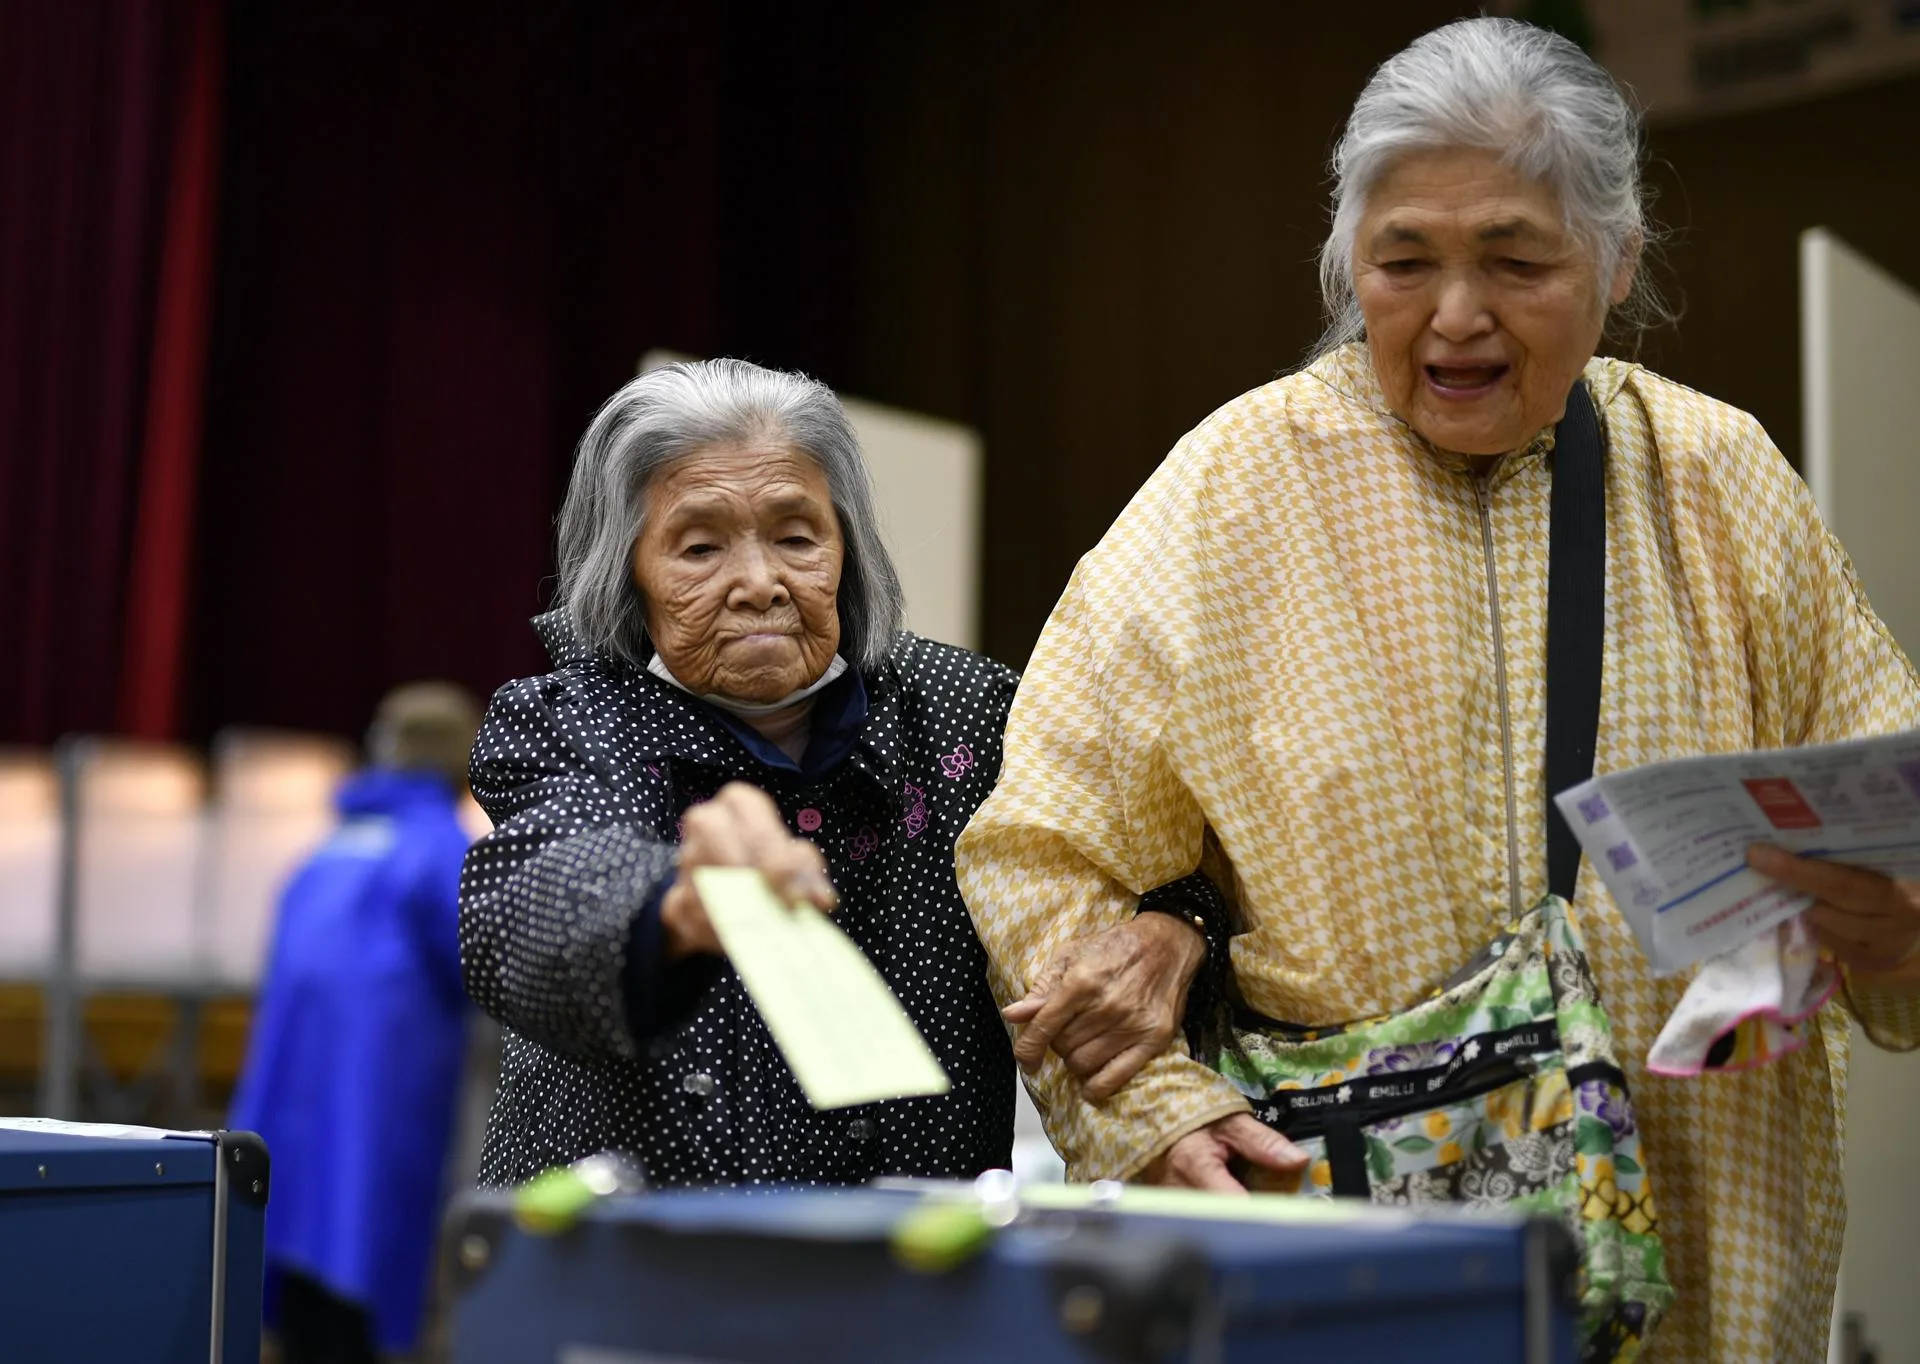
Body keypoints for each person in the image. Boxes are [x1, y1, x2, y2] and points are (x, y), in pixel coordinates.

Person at [956, 17, 1920, 1362]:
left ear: (1619, 260)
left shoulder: (1717, 477)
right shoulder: (1233, 487)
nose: (1455, 315)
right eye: (1403, 262)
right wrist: (1149, 1115)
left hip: (1712, 1230)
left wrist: (1901, 933)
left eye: (1517, 262)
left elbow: (1890, 803)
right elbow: (1037, 850)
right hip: (1344, 1253)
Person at [458, 358, 1199, 1191]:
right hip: (648, 1266)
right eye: (699, 547)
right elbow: (532, 903)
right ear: (629, 569)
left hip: (920, 1259)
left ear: (846, 548)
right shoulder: (570, 721)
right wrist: (669, 904)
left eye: (796, 536)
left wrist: (1175, 923)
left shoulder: (966, 710)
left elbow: (1143, 842)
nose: (760, 584)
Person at [230, 681, 484, 1364]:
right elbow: (480, 967)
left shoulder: (329, 848)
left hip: (292, 1094)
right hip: (384, 1091)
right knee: (365, 1231)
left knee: (298, 1229)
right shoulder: (439, 847)